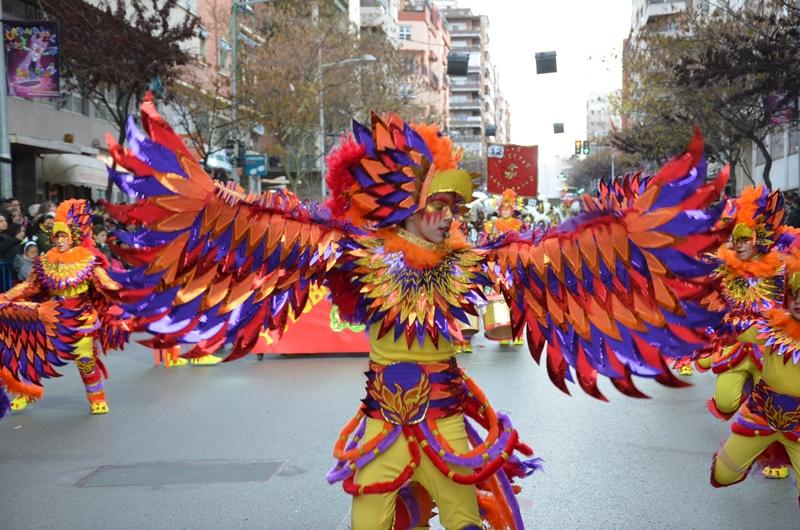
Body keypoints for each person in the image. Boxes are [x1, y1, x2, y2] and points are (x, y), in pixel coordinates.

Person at [105, 98, 731, 526]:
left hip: (443, 417)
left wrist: (645, 235)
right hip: (383, 416)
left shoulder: (478, 260)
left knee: (460, 515)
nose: (448, 215)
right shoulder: (350, 253)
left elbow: (584, 263)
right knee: (368, 515)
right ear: (404, 204)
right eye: (436, 203)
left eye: (454, 207)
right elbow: (238, 227)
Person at [696, 186, 791, 479]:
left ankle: (775, 457)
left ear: (757, 241)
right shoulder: (723, 271)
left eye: (744, 240)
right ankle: (750, 402)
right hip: (736, 349)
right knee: (726, 401)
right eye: (734, 240)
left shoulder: (778, 269)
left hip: (770, 353)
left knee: (779, 412)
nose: (738, 245)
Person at [0, 200, 128, 415]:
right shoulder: (45, 261)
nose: (60, 241)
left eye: (64, 236)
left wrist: (134, 289)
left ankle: (97, 398)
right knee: (33, 355)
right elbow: (30, 287)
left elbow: (107, 285)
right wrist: (5, 296)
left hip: (81, 319)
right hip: (52, 318)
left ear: (73, 237)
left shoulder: (88, 261)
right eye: (56, 236)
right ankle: (26, 392)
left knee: (85, 359)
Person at [711, 248, 800, 502]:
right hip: (762, 413)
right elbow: (731, 331)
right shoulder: (770, 326)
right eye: (795, 294)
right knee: (723, 474)